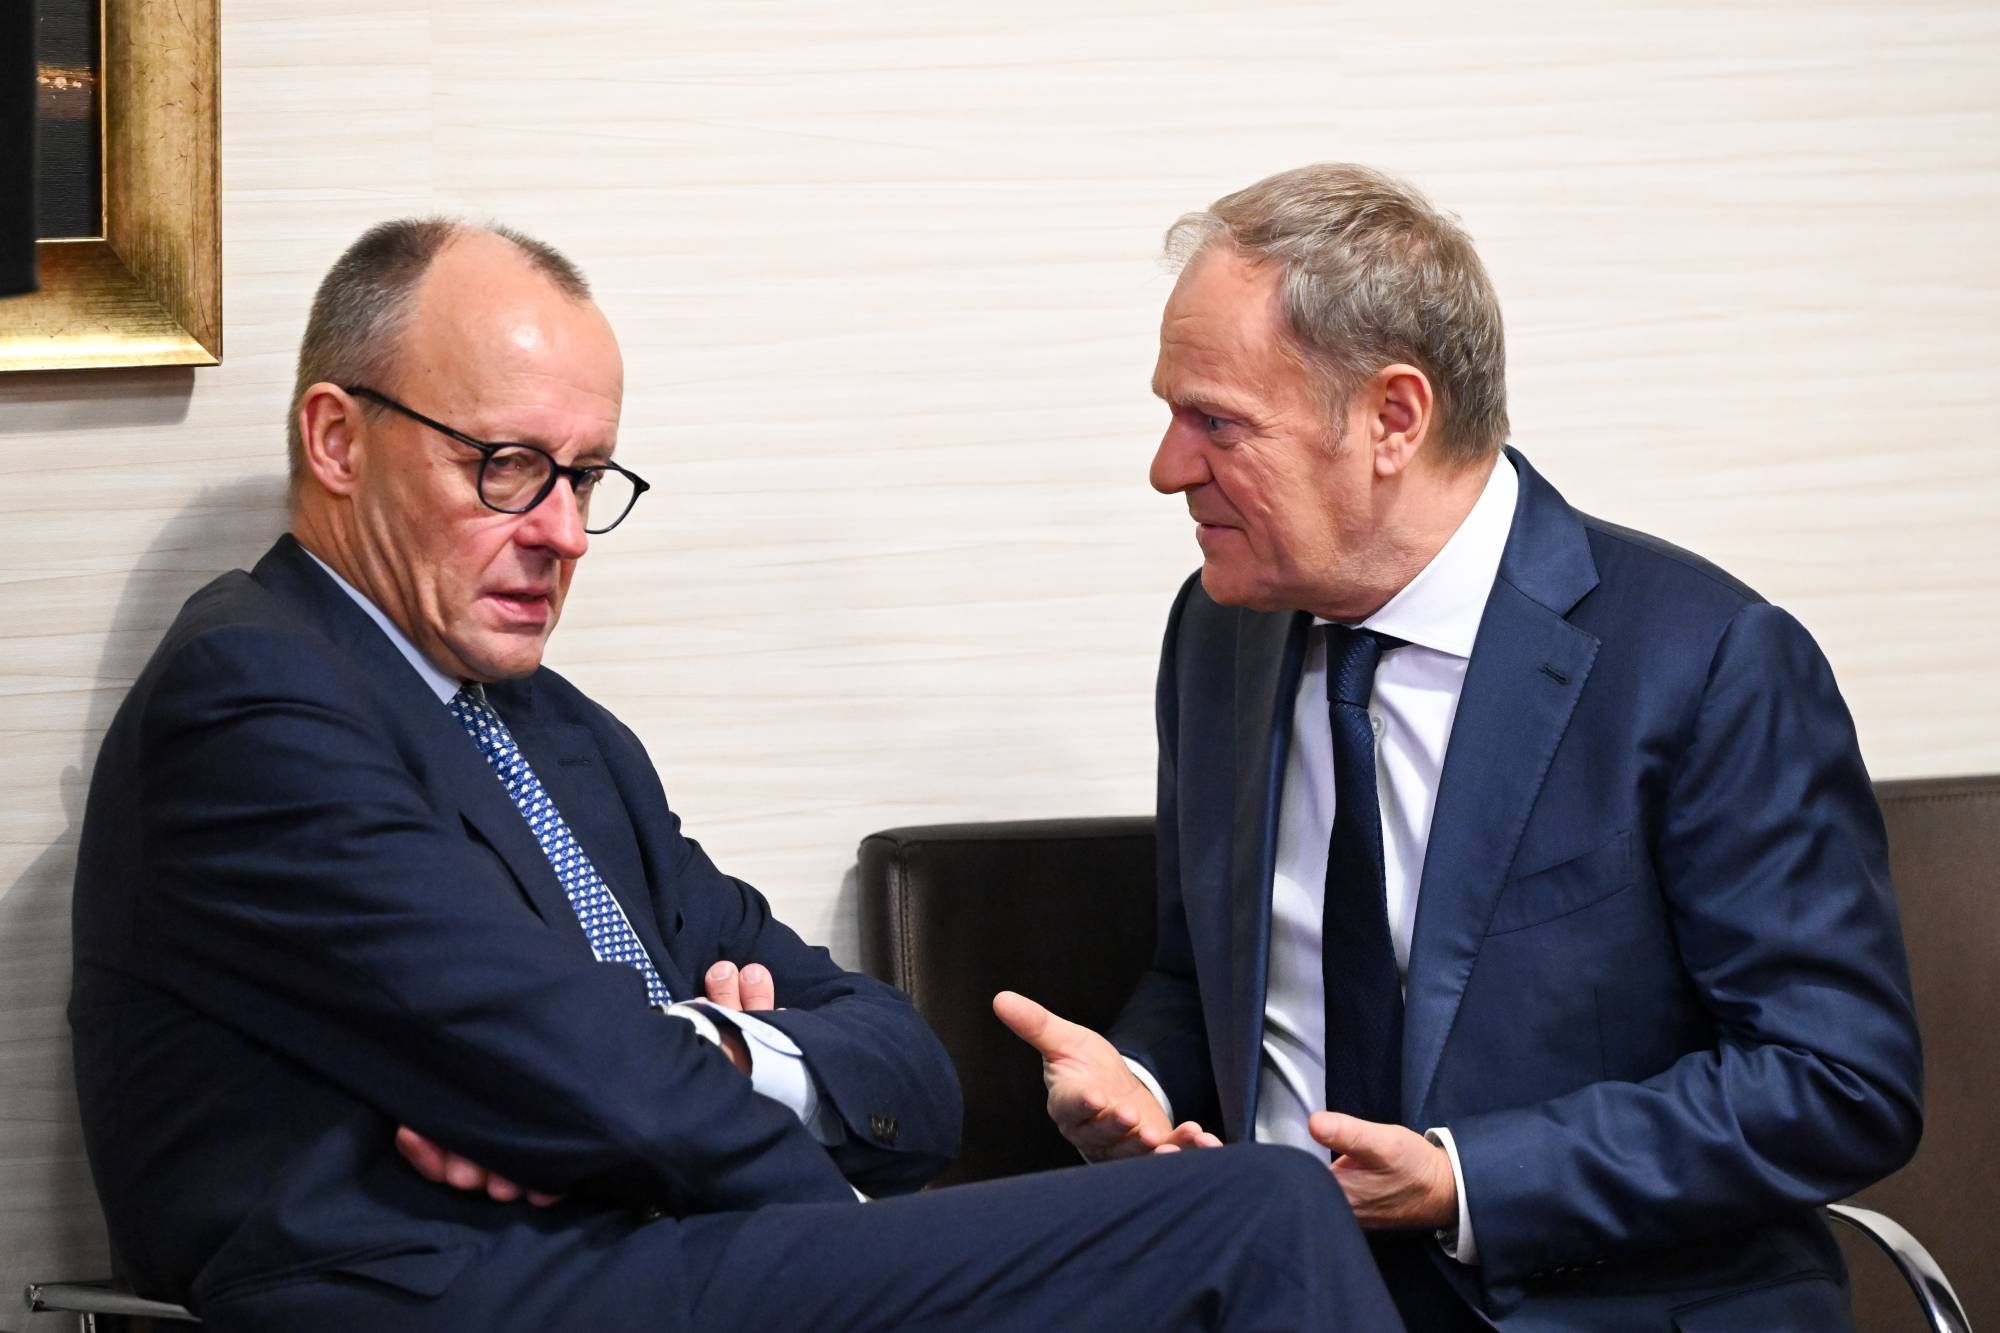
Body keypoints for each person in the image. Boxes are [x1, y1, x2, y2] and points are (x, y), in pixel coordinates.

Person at [69, 219, 1403, 1332]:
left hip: (637, 1253)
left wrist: (711, 1046)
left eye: (586, 477)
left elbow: (904, 1069)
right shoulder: (254, 695)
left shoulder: (559, 734)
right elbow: (575, 1072)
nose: (563, 533)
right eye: (508, 468)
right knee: (1256, 1212)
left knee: (1242, 1215)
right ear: (337, 440)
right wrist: (792, 1173)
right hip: (447, 1288)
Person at [997, 164, 1923, 1331]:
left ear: (1392, 418)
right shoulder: (1219, 632)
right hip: (1280, 1289)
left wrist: (1464, 1179)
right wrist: (1135, 1081)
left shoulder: (1699, 661)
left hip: (1599, 1302)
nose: (1167, 467)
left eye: (1216, 423)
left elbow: (1835, 1082)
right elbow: (1206, 975)